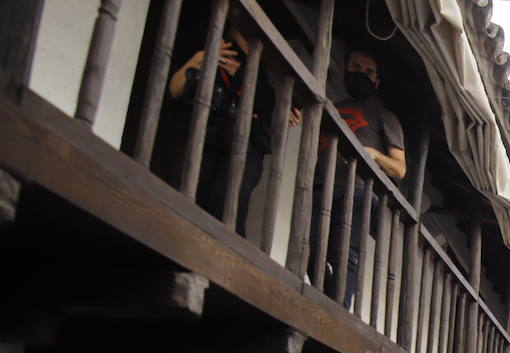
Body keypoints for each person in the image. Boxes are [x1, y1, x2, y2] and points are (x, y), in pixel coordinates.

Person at [155, 13, 300, 236]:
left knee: (226, 207)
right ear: (232, 28)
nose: (247, 40)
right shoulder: (202, 50)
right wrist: (198, 61)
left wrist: (281, 115)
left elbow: (267, 126)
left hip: (234, 151)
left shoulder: (264, 86)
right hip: (198, 139)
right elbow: (173, 91)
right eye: (244, 32)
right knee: (183, 196)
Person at [322, 47, 407, 309]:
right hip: (321, 185)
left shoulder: (385, 117)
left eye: (369, 72)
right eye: (356, 68)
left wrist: (372, 154)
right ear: (345, 69)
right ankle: (327, 300)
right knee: (312, 245)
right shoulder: (332, 110)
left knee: (345, 252)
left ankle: (339, 309)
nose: (362, 74)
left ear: (377, 81)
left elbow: (399, 169)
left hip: (359, 191)